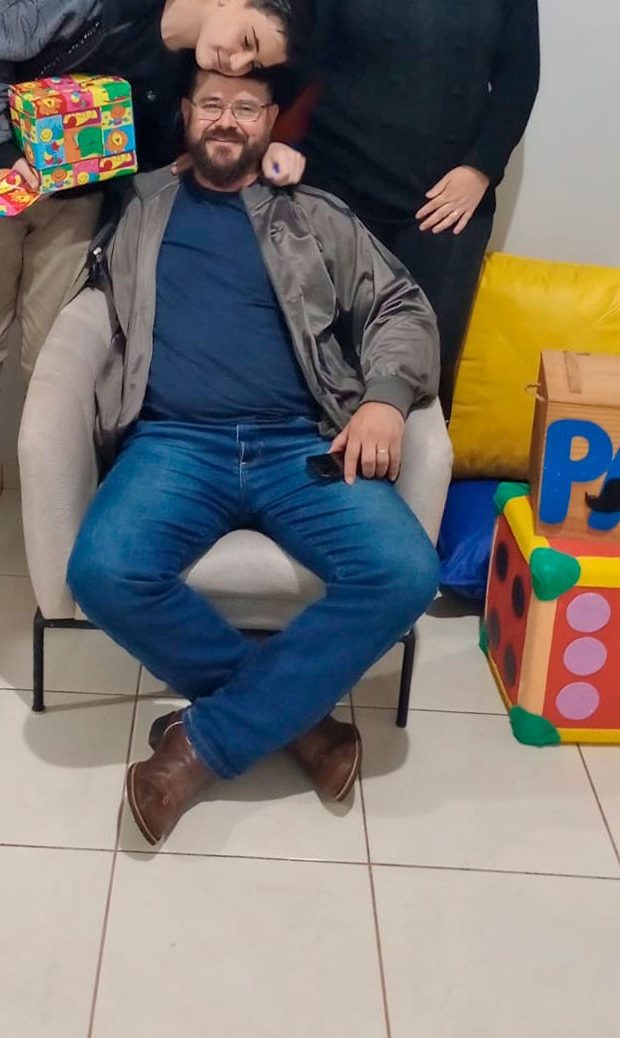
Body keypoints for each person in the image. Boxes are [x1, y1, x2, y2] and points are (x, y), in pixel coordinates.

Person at [66, 66, 441, 846]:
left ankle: (199, 747)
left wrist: (384, 397)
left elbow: (399, 303)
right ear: (186, 115)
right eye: (211, 104)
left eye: (245, 107)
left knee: (405, 571)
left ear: (272, 122)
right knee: (102, 571)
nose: (227, 120)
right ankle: (302, 725)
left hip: (300, 441)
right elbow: (51, 162)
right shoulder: (139, 207)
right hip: (174, 441)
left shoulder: (314, 214)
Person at [0, 0, 313, 606]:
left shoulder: (198, 78)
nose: (236, 63)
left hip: (77, 211)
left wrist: (283, 153)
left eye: (254, 64)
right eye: (246, 41)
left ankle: (62, 524)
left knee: (53, 367)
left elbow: (203, 142)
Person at [301, 0, 540, 416]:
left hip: (447, 208)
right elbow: (296, 70)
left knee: (420, 388)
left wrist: (480, 170)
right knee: (332, 378)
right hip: (342, 202)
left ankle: (414, 489)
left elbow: (519, 77)